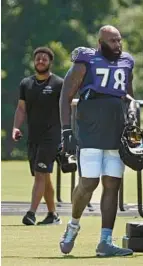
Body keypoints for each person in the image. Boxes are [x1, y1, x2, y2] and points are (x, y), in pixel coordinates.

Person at [59, 25, 136, 257]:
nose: (117, 45)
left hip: (116, 130)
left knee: (113, 184)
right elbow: (65, 95)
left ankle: (105, 241)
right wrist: (65, 131)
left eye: (119, 40)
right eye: (112, 41)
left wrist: (132, 111)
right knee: (88, 183)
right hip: (90, 129)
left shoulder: (127, 61)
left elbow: (128, 94)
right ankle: (73, 225)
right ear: (100, 42)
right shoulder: (86, 60)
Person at [12, 47, 63, 226]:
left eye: (44, 59)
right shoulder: (26, 84)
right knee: (43, 176)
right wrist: (15, 128)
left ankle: (31, 213)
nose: (40, 61)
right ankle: (53, 215)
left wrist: (68, 133)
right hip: (34, 136)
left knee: (41, 173)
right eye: (38, 59)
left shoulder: (59, 83)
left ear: (50, 62)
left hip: (52, 135)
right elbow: (21, 108)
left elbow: (67, 108)